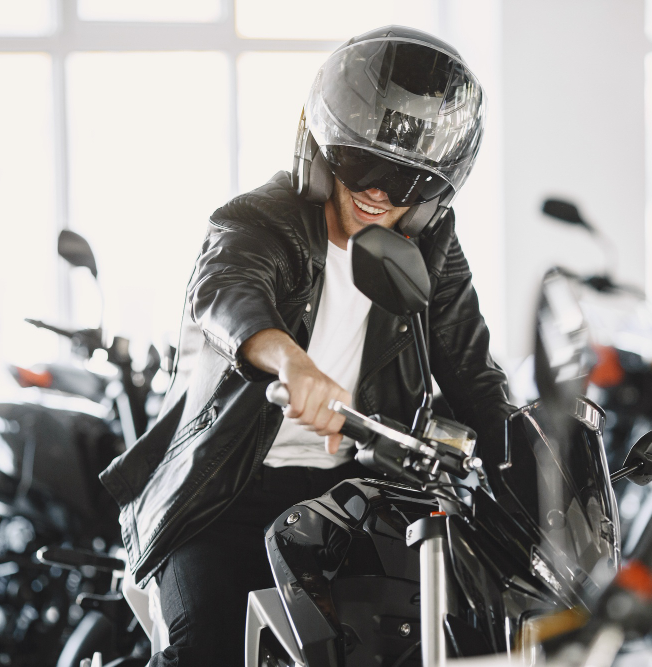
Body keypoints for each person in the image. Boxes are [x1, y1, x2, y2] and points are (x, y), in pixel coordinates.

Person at [99, 25, 512, 666]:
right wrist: (292, 363)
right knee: (204, 646)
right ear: (321, 149)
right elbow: (228, 292)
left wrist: (543, 466)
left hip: (352, 495)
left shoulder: (429, 244)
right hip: (225, 494)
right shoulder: (262, 219)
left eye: (406, 181)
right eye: (361, 163)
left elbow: (472, 368)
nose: (378, 191)